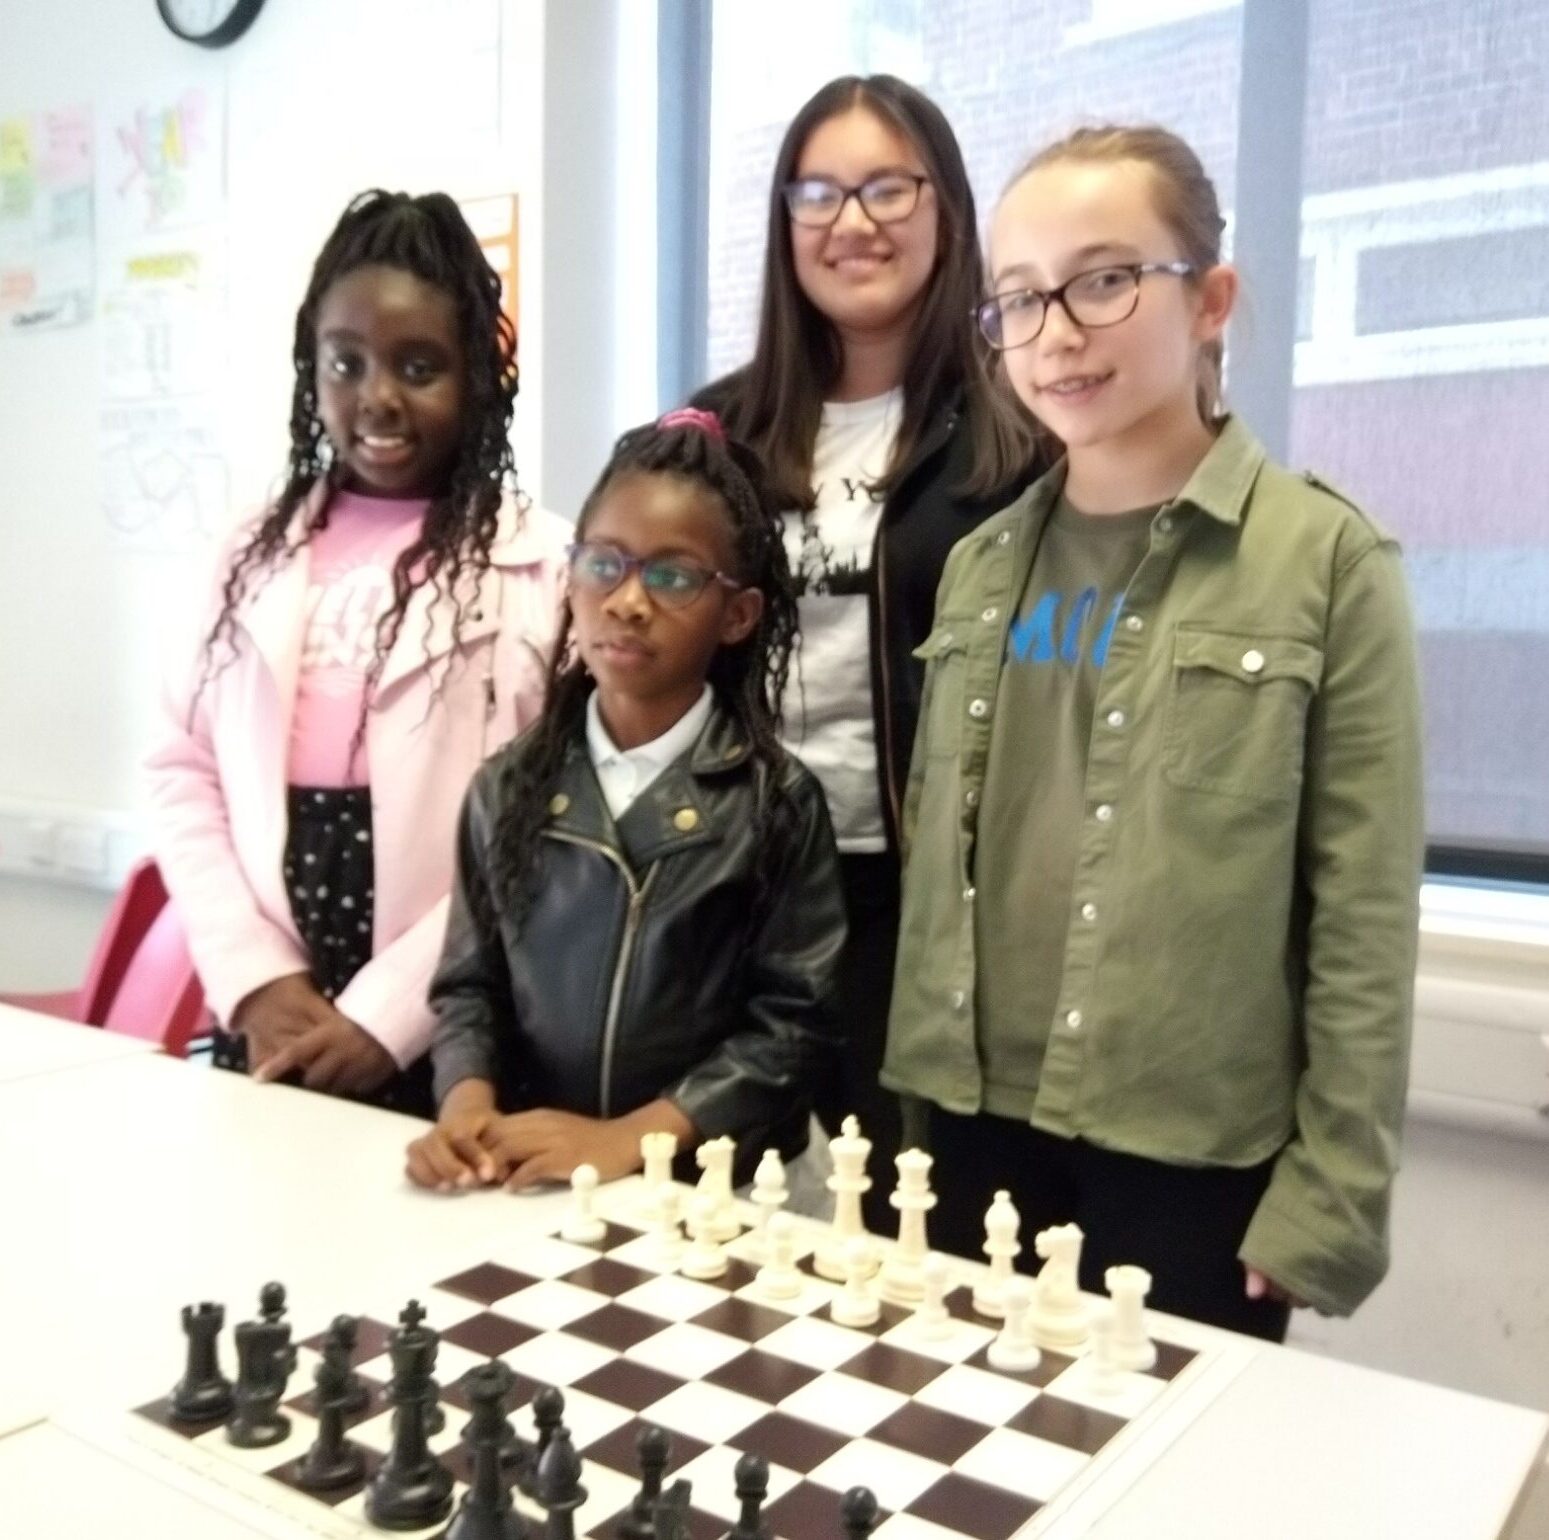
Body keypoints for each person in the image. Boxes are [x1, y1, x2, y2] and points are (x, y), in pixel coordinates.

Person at [883, 125, 1424, 1339]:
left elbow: (1364, 911)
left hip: (1184, 1156)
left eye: (1105, 279)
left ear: (1212, 299)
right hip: (966, 1123)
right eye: (1017, 299)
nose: (1057, 331)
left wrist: (1331, 1193)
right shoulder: (978, 568)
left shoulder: (1326, 562)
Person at [693, 75, 1041, 1221]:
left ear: (946, 210)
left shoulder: (1022, 441)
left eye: (888, 186)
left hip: (917, 906)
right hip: (730, 883)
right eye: (819, 191)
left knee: (908, 1240)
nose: (853, 220)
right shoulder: (711, 433)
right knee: (692, 1225)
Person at [146, 190, 568, 1113]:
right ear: (313, 370)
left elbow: (539, 822)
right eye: (347, 363)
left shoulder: (540, 566)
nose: (377, 397)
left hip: (452, 1023)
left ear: (478, 378)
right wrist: (255, 978)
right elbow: (182, 770)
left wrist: (388, 1014)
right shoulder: (246, 554)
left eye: (419, 366)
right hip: (270, 1013)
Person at [405, 411, 845, 1192]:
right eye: (603, 563)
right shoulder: (507, 788)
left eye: (672, 576)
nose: (628, 600)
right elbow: (469, 987)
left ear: (737, 615)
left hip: (722, 1190)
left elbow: (791, 1029)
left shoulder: (775, 803)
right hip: (538, 1178)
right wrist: (465, 1100)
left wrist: (630, 1139)